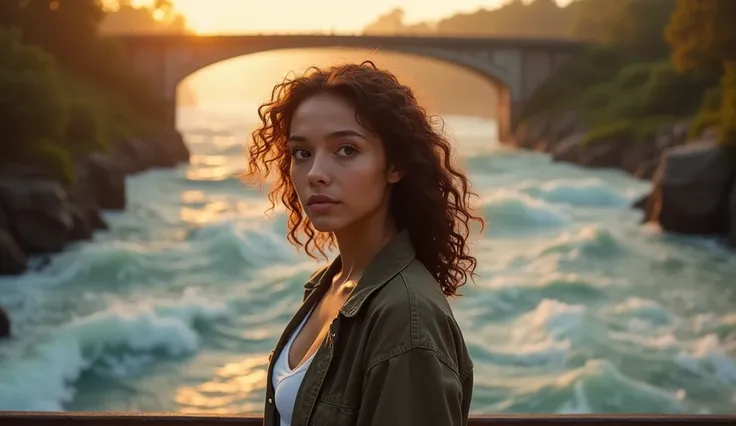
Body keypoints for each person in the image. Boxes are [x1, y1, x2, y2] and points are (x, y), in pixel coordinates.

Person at [245, 61, 484, 426]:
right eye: (302, 153)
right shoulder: (329, 285)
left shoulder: (406, 317)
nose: (316, 174)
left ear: (395, 164)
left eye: (346, 150)